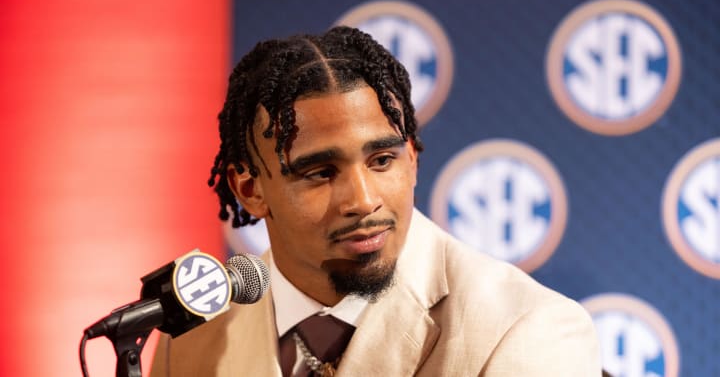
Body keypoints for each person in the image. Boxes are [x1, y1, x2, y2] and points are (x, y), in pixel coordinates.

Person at [150, 26, 601, 376]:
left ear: (412, 160)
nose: (363, 201)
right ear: (250, 190)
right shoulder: (195, 332)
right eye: (320, 172)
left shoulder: (524, 329)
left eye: (382, 160)